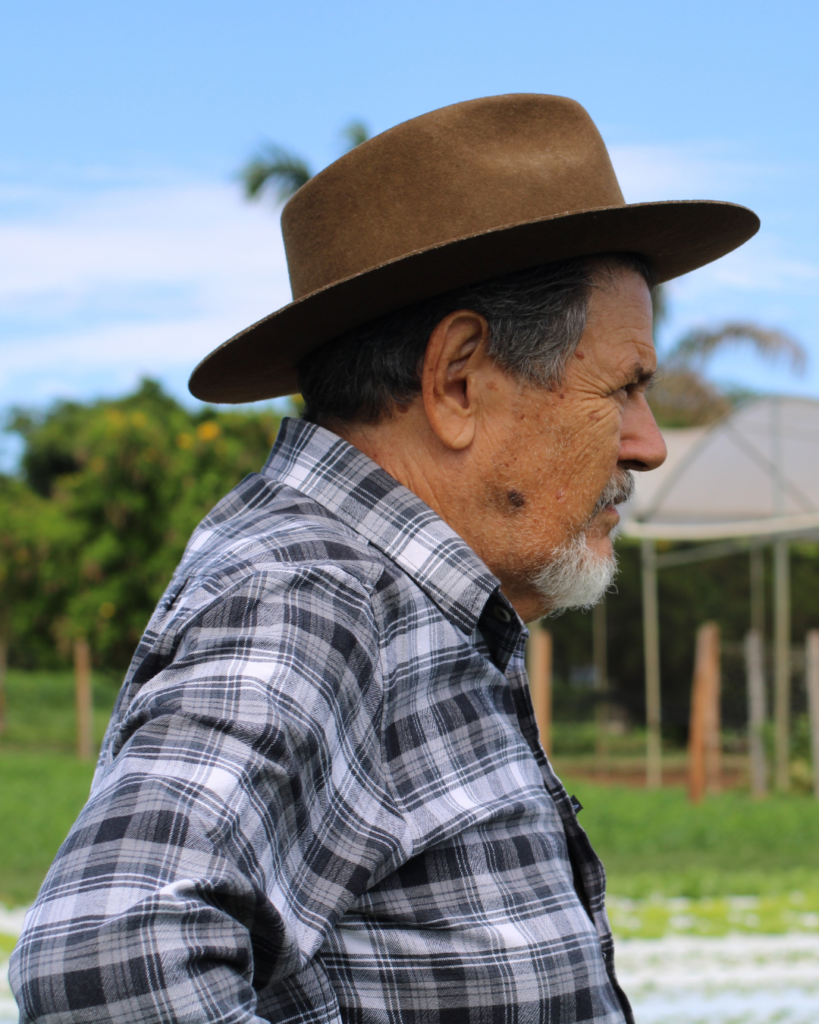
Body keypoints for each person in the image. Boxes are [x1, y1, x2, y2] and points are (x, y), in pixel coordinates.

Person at [11, 94, 758, 1023]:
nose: (646, 444)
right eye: (622, 388)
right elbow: (107, 965)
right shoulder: (310, 593)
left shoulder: (410, 604)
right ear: (457, 381)